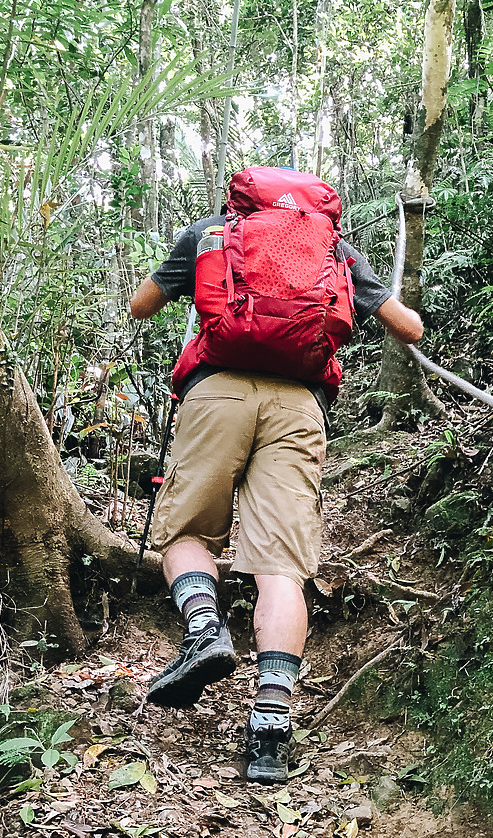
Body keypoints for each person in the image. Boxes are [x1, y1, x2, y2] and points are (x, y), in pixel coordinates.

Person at [129, 177, 423, 785]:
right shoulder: (333, 249)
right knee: (282, 567)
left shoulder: (211, 235)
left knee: (186, 531)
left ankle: (205, 629)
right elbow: (408, 328)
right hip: (299, 406)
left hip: (216, 393)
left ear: (245, 199)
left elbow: (141, 305)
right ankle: (270, 730)